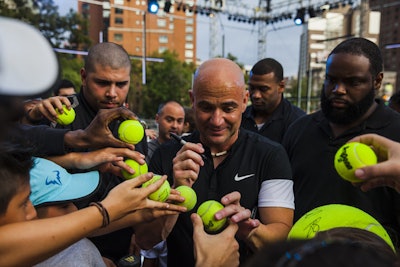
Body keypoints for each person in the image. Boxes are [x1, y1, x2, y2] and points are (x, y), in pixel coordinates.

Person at [135, 58, 295, 266]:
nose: (217, 120)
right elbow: (145, 240)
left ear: (244, 100)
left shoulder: (270, 154)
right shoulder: (166, 156)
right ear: (192, 100)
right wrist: (176, 193)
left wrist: (249, 228)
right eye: (206, 108)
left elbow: (280, 241)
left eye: (228, 108)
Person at [25, 42, 150, 263]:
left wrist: (137, 233)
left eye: (121, 84)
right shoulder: (57, 113)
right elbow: (31, 175)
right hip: (65, 249)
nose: (112, 93)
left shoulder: (134, 126)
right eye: (102, 83)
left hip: (121, 247)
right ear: (84, 77)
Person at [282, 37, 400, 246]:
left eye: (353, 82)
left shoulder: (396, 133)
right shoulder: (299, 130)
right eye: (331, 79)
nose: (338, 89)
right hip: (302, 257)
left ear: (377, 81)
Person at [241, 58, 305, 143]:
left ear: (281, 87)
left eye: (263, 89)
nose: (256, 95)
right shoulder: (239, 117)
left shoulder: (298, 123)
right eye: (252, 88)